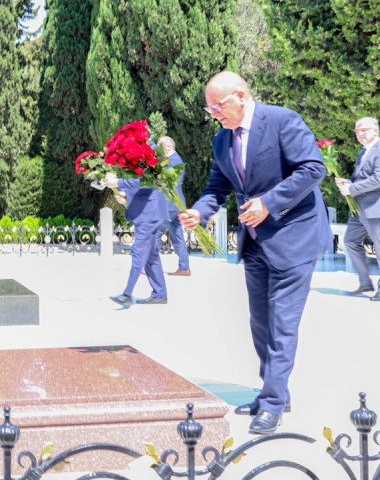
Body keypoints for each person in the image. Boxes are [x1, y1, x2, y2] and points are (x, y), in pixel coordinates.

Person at [179, 72, 331, 434]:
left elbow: (313, 169)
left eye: (219, 105)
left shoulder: (281, 121)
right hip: (256, 243)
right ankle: (273, 390)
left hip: (295, 237)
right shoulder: (221, 140)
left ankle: (274, 403)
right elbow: (218, 186)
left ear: (242, 96)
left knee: (282, 324)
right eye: (209, 108)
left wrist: (269, 203)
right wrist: (200, 210)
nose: (214, 113)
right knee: (260, 323)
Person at [336, 117, 380, 301]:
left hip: (377, 209)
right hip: (359, 210)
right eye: (357, 131)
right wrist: (348, 183)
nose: (359, 133)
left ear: (375, 130)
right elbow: (363, 179)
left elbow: (379, 179)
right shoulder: (363, 153)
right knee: (350, 242)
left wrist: (352, 188)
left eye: (364, 130)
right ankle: (365, 282)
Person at [104, 166, 171, 308]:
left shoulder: (150, 150)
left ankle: (127, 295)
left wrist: (118, 183)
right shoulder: (144, 152)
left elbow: (148, 180)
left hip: (149, 214)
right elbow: (144, 186)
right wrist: (126, 197)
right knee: (151, 256)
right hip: (151, 212)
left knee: (138, 251)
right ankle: (160, 294)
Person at [157, 136, 191, 276]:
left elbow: (165, 181)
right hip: (175, 205)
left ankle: (150, 266)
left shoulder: (174, 161)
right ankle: (184, 267)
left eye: (160, 147)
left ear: (166, 147)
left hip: (168, 204)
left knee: (155, 233)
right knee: (177, 236)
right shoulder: (174, 160)